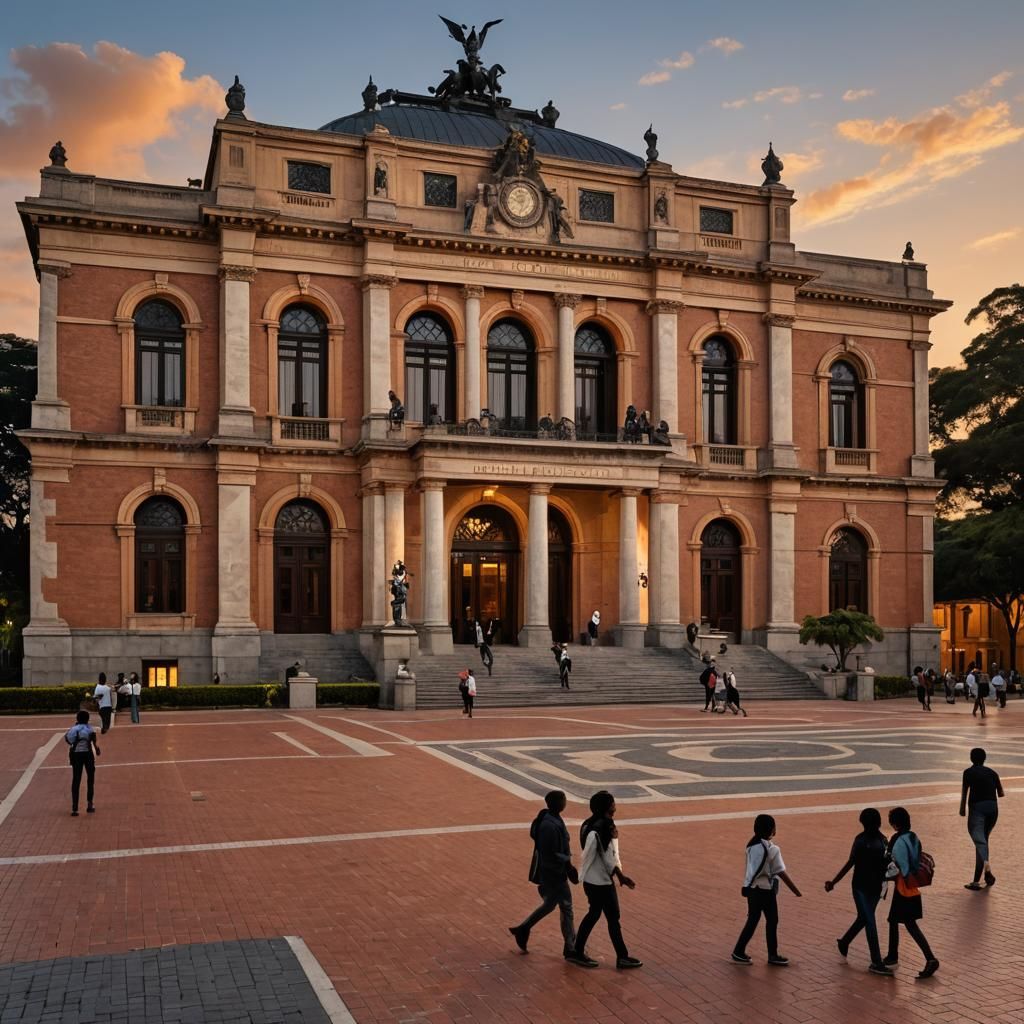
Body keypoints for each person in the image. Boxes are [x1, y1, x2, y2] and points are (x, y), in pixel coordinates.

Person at [570, 791, 642, 970]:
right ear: (607, 807)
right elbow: (607, 854)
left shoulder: (588, 823)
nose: (615, 805)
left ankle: (579, 951)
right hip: (600, 881)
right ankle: (620, 957)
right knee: (611, 916)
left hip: (592, 879)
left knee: (596, 914)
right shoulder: (604, 826)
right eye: (613, 802)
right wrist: (621, 876)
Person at [509, 790, 579, 959]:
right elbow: (553, 853)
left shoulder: (550, 818)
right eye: (563, 800)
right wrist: (568, 867)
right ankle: (570, 947)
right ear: (556, 803)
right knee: (566, 907)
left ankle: (523, 928)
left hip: (552, 872)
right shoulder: (550, 825)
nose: (565, 803)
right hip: (554, 874)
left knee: (551, 904)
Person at [824, 808, 892, 975]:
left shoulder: (870, 840)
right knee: (869, 920)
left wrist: (834, 882)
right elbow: (852, 863)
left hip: (868, 887)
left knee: (865, 918)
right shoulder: (878, 841)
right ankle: (876, 961)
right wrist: (834, 882)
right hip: (863, 887)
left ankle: (845, 942)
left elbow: (850, 863)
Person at [732, 813, 802, 966]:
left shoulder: (751, 846)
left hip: (753, 889)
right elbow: (780, 872)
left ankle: (739, 951)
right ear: (772, 829)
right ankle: (772, 954)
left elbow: (752, 870)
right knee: (772, 921)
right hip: (765, 890)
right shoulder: (772, 849)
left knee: (753, 920)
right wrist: (796, 890)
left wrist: (746, 886)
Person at [884, 807, 939, 978]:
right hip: (912, 886)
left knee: (907, 924)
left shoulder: (896, 839)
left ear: (894, 824)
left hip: (902, 887)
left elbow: (891, 864)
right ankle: (892, 956)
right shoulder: (914, 837)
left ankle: (929, 958)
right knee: (898, 921)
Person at [960, 747, 1004, 890]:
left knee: (980, 842)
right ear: (984, 758)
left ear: (971, 758)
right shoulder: (992, 773)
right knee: (983, 841)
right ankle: (976, 880)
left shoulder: (968, 773)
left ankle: (987, 867)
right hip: (993, 809)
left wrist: (962, 809)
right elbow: (1001, 793)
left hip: (976, 809)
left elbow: (964, 792)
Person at [65, 709, 100, 816]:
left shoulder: (73, 729)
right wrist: (97, 749)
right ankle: (90, 804)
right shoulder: (90, 729)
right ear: (88, 719)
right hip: (88, 755)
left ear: (77, 719)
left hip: (76, 755)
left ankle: (74, 807)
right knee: (90, 779)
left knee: (76, 779)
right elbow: (94, 742)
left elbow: (68, 740)